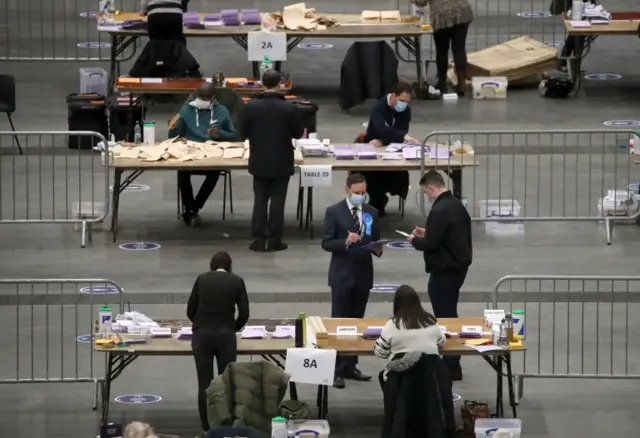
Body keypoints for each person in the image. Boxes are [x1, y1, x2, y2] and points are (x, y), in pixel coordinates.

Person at [407, 170, 472, 381]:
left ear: (430, 188)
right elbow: (448, 234)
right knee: (449, 311)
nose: (427, 195)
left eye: (426, 191)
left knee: (445, 316)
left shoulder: (439, 210)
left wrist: (414, 241)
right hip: (458, 267)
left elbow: (432, 244)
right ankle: (452, 362)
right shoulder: (455, 205)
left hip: (444, 269)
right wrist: (429, 232)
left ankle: (451, 363)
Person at [321, 173, 383, 389]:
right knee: (339, 323)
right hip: (341, 274)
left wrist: (378, 247)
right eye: (356, 193)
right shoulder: (334, 212)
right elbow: (327, 243)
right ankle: (335, 368)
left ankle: (350, 365)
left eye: (363, 193)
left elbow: (375, 239)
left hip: (363, 274)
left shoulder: (372, 212)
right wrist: (345, 242)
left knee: (357, 323)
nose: (360, 196)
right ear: (347, 190)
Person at [241, 69, 305, 252]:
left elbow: (243, 133)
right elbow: (299, 133)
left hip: (259, 160)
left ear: (262, 83)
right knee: (278, 201)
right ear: (280, 84)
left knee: (259, 200)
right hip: (281, 161)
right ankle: (275, 240)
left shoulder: (250, 106)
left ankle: (258, 240)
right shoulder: (289, 108)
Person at [187, 251, 250, 435]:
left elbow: (190, 309)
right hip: (226, 337)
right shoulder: (237, 281)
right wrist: (233, 327)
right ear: (229, 266)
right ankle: (225, 425)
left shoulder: (201, 279)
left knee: (204, 383)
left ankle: (206, 427)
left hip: (202, 336)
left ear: (212, 265)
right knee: (226, 382)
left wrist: (200, 324)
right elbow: (244, 313)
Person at [169, 83, 239, 225]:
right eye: (200, 97)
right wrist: (174, 127)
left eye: (205, 98)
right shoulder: (186, 110)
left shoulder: (221, 111)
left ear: (212, 97)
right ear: (196, 95)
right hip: (191, 151)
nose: (202, 100)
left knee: (214, 173)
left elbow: (234, 135)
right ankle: (191, 209)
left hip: (213, 151)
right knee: (182, 173)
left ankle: (193, 208)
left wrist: (220, 133)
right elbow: (173, 136)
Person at [360, 82, 419, 216]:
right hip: (372, 147)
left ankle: (382, 198)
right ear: (393, 97)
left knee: (397, 172)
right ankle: (377, 200)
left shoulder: (405, 111)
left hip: (392, 149)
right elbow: (381, 128)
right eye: (401, 100)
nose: (404, 104)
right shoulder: (378, 108)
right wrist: (402, 136)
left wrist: (385, 140)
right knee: (370, 172)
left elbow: (400, 130)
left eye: (407, 102)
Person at [374, 285, 446, 389]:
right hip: (430, 377)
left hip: (400, 378)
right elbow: (441, 342)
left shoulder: (392, 325)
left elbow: (380, 353)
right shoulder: (431, 322)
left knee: (383, 376)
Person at [411, 0, 473, 95]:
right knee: (459, 48)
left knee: (442, 50)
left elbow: (421, 2)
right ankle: (462, 85)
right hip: (462, 10)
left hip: (442, 14)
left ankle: (442, 84)